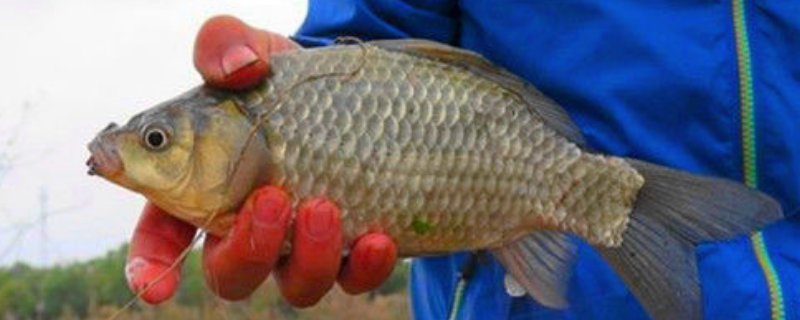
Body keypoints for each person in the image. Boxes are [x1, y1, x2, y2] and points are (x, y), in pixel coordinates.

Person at [125, 2, 800, 320]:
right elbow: (376, 29)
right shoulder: (277, 116)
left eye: (158, 141)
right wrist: (310, 53)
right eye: (160, 140)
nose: (147, 151)